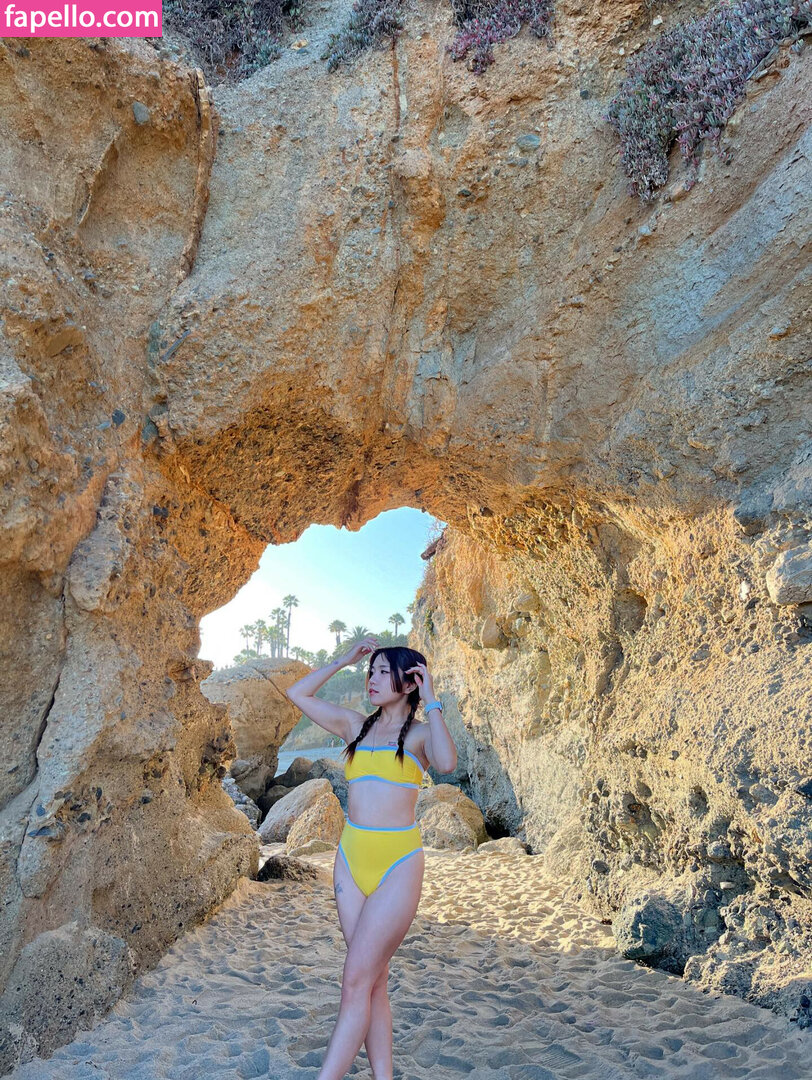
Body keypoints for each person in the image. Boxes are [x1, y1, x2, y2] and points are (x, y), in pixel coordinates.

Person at [285, 635, 457, 1080]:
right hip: (350, 858)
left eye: (384, 671)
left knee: (356, 980)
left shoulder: (420, 735)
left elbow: (446, 763)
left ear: (409, 682)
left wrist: (432, 699)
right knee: (372, 979)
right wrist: (343, 660)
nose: (372, 678)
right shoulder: (354, 726)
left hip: (398, 864)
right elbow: (297, 693)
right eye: (371, 671)